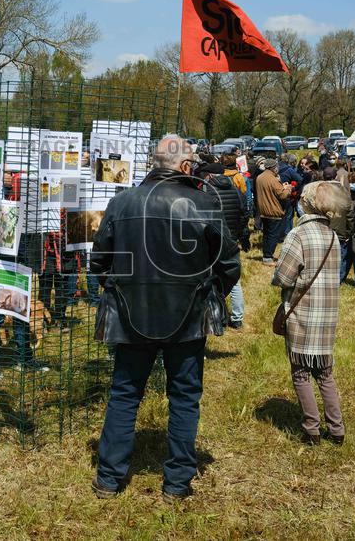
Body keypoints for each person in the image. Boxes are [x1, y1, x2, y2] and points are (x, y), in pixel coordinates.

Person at [90, 135, 240, 502]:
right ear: (185, 167)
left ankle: (109, 478)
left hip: (133, 316)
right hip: (187, 317)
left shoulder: (122, 202)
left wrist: (124, 290)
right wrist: (209, 292)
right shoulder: (203, 203)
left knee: (125, 393)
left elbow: (99, 263)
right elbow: (229, 263)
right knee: (184, 396)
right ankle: (176, 483)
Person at [273, 182, 349, 446]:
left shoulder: (298, 234)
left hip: (302, 313)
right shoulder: (333, 236)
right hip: (327, 314)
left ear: (306, 202)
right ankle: (337, 429)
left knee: (301, 373)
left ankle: (311, 429)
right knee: (325, 374)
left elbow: (284, 277)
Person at [196, 161, 248, 328]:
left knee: (210, 276)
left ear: (210, 176)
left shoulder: (206, 191)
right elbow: (244, 212)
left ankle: (214, 315)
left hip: (213, 237)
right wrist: (238, 233)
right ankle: (237, 317)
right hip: (230, 238)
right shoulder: (235, 189)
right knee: (233, 276)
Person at [256, 158, 291, 266]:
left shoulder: (260, 177)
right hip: (273, 211)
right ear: (273, 168)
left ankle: (266, 256)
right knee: (273, 236)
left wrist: (281, 186)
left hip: (263, 210)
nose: (278, 168)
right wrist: (288, 188)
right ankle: (268, 258)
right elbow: (283, 195)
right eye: (277, 166)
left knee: (267, 234)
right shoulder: (272, 179)